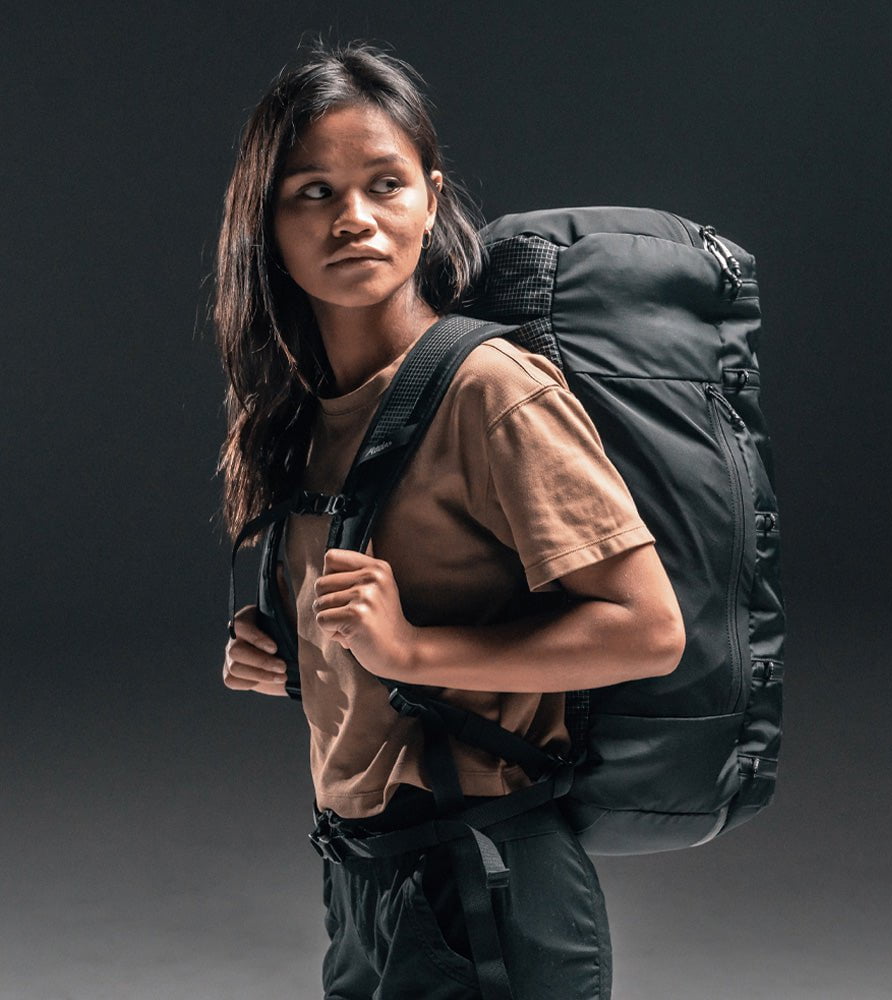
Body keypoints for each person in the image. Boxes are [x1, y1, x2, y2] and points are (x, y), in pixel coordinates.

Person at [215, 40, 686, 1000]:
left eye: (384, 184)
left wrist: (414, 652)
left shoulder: (490, 389)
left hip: (485, 881)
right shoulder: (304, 415)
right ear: (267, 222)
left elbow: (649, 629)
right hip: (365, 879)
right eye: (313, 192)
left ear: (430, 200)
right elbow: (397, 621)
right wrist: (295, 659)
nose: (353, 218)